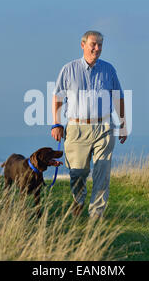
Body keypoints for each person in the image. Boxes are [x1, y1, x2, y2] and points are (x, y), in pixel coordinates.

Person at [51, 30, 127, 218]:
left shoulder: (109, 69)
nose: (97, 48)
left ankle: (96, 214)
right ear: (83, 45)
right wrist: (56, 123)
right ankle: (79, 201)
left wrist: (123, 124)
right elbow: (58, 97)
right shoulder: (69, 69)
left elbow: (118, 97)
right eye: (93, 44)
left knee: (102, 171)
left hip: (104, 127)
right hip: (76, 128)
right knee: (77, 172)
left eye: (100, 44)